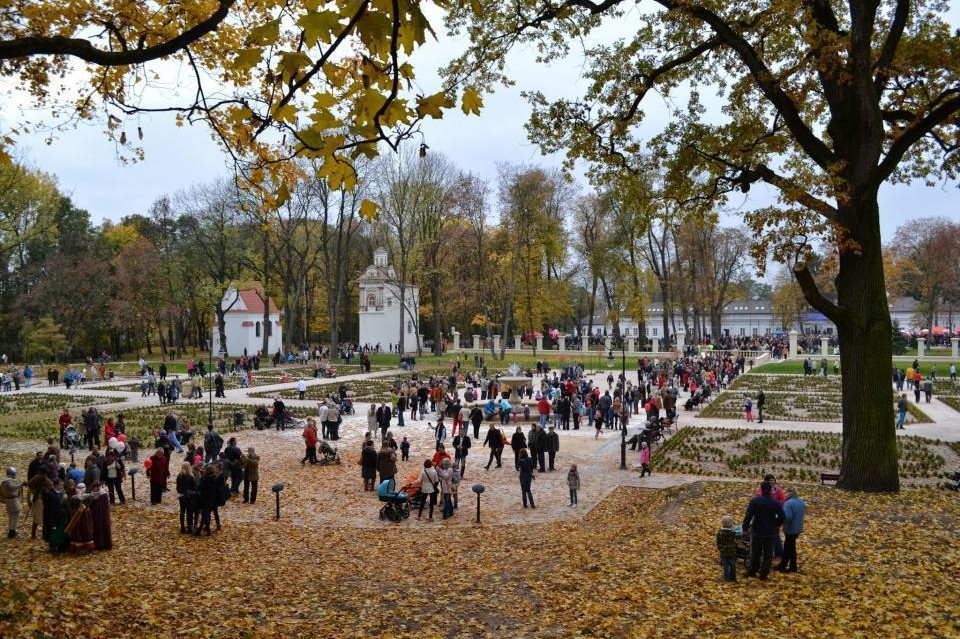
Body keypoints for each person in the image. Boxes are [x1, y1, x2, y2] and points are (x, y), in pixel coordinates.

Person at [742, 480, 785, 580]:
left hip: (757, 531)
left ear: (761, 489)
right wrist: (776, 524)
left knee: (755, 552)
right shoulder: (775, 503)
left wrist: (745, 528)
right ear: (770, 490)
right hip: (770, 532)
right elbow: (782, 516)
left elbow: (748, 515)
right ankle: (764, 574)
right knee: (768, 554)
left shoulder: (755, 501)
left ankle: (752, 570)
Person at [779, 486, 806, 573]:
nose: (784, 494)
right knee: (789, 547)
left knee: (790, 548)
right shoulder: (801, 502)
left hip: (790, 528)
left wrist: (781, 522)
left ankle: (792, 567)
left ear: (789, 493)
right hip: (798, 528)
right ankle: (783, 565)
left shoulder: (788, 503)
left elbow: (787, 517)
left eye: (786, 493)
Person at [88, 481, 112, 551]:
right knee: (96, 529)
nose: (96, 489)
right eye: (95, 487)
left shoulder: (103, 494)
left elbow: (105, 506)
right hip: (95, 515)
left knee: (103, 528)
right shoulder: (92, 494)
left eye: (97, 487)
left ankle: (105, 544)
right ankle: (98, 544)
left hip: (103, 515)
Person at [1, 467, 23, 538]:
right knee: (15, 516)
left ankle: (12, 530)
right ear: (13, 474)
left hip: (9, 500)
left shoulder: (4, 482)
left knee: (12, 516)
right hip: (12, 501)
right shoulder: (7, 482)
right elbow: (12, 487)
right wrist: (21, 484)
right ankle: (12, 532)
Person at [176, 462, 197, 534]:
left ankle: (182, 527)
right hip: (189, 496)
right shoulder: (191, 477)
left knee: (182, 511)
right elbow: (194, 487)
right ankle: (189, 527)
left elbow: (178, 487)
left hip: (181, 495)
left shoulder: (179, 476)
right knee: (189, 512)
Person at [716, 515, 738, 582]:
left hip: (723, 551)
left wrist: (720, 548)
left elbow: (718, 542)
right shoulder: (733, 533)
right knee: (732, 565)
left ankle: (726, 578)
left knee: (725, 565)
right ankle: (733, 577)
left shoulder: (720, 532)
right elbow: (736, 540)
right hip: (732, 551)